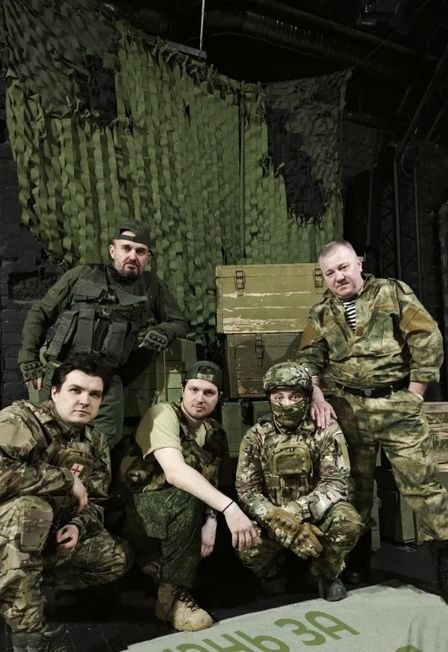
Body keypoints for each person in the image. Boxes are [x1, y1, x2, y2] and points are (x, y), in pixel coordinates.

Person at [298, 239, 448, 597]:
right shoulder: (321, 313)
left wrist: (416, 392)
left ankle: (444, 567)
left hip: (397, 404)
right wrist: (316, 394)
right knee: (356, 490)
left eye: (343, 267)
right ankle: (357, 564)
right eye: (330, 273)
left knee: (423, 487)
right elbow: (308, 360)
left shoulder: (392, 293)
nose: (339, 277)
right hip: (349, 409)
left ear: (359, 264)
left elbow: (426, 336)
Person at [0, 353, 133, 652]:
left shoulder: (95, 442)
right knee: (31, 509)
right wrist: (65, 479)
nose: (85, 400)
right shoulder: (22, 419)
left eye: (94, 394)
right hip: (8, 530)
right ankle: (29, 636)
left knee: (115, 557)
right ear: (55, 392)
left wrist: (77, 525)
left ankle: (21, 587)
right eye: (76, 390)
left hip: (44, 537)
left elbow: (96, 500)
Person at [18, 221, 188, 448]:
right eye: (126, 248)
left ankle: (89, 471)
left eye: (140, 251)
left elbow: (179, 323)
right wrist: (28, 358)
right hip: (61, 371)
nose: (132, 256)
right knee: (46, 437)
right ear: (112, 250)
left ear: (148, 257)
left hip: (107, 379)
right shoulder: (81, 275)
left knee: (104, 443)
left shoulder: (151, 287)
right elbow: (40, 313)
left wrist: (163, 331)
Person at [118, 361, 259, 631]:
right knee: (188, 495)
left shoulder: (215, 433)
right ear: (182, 390)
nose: (199, 398)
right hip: (137, 512)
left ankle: (163, 573)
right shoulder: (163, 414)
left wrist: (211, 519)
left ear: (218, 397)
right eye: (193, 389)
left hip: (176, 514)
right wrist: (229, 509)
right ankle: (172, 599)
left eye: (209, 392)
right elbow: (176, 473)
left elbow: (211, 481)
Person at [235, 361, 363, 602]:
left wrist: (297, 511)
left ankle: (324, 572)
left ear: (306, 397)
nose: (286, 404)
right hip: (273, 517)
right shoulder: (256, 436)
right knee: (245, 541)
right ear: (269, 398)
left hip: (316, 513)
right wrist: (276, 518)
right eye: (279, 397)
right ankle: (272, 572)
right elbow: (247, 489)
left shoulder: (325, 430)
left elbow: (336, 483)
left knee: (348, 522)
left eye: (295, 396)